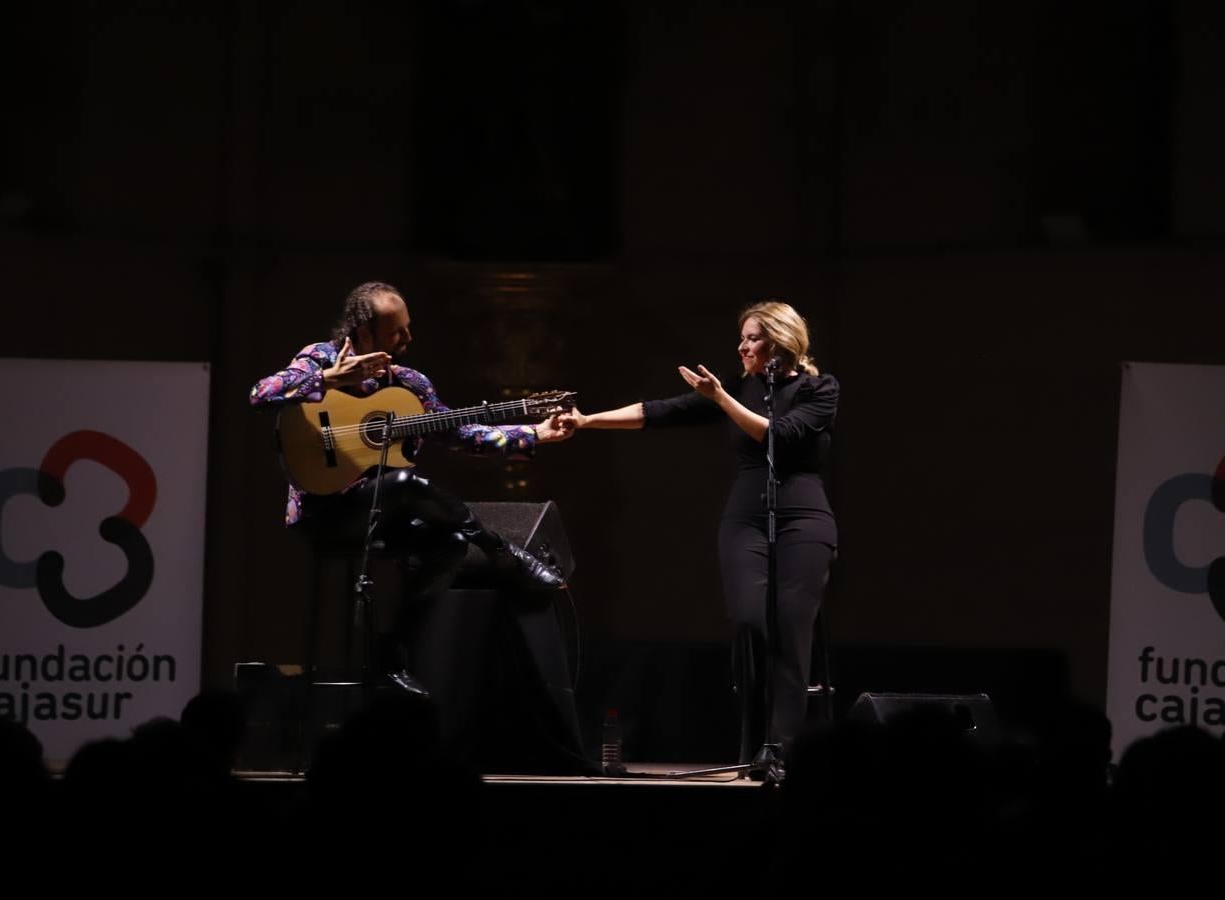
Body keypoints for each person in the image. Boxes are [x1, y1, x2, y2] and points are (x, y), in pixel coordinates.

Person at [249, 281, 573, 695]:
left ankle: (389, 660)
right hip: (325, 512)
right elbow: (261, 394)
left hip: (384, 514)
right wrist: (328, 380)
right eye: (397, 330)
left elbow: (460, 432)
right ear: (364, 332)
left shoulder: (410, 385)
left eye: (408, 328)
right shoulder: (320, 358)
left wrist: (534, 433)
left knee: (451, 544)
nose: (408, 338)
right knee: (405, 482)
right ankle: (501, 550)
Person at [562, 300, 838, 771]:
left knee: (791, 631)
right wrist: (588, 420)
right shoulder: (737, 389)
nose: (742, 345)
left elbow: (778, 436)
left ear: (780, 340)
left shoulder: (820, 389)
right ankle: (756, 743)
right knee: (752, 622)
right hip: (746, 519)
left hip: (804, 521)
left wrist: (722, 400)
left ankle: (783, 750)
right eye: (743, 337)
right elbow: (660, 411)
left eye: (752, 337)